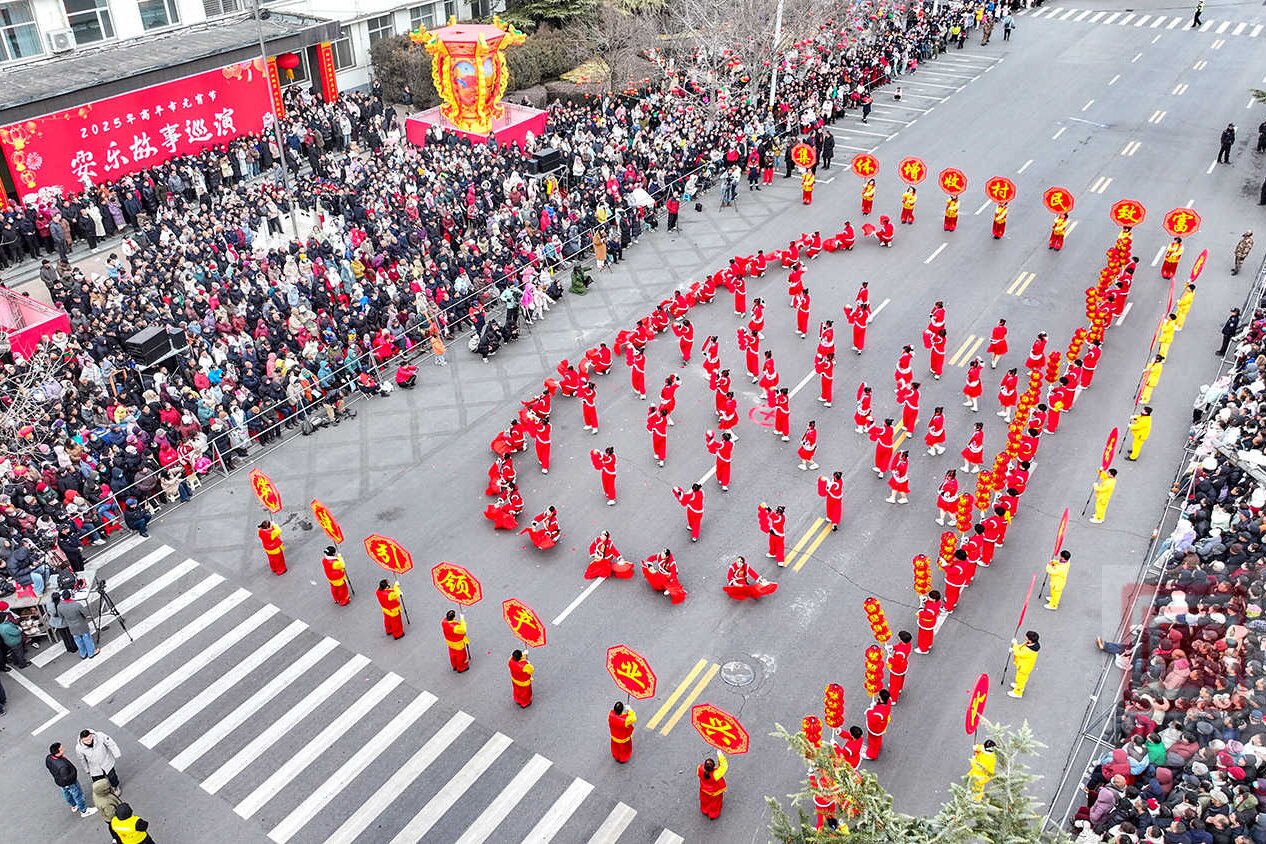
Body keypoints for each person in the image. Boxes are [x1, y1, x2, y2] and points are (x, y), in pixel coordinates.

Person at [46, 742, 97, 817]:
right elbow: (67, 778)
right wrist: (73, 775)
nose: (64, 749)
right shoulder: (62, 766)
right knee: (78, 795)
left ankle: (74, 805)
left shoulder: (49, 758)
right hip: (70, 782)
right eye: (62, 749)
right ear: (58, 752)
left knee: (67, 793)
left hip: (60, 781)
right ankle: (84, 811)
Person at [57, 590, 95, 660]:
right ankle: (91, 652)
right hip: (81, 624)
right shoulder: (77, 605)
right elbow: (86, 614)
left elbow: (61, 616)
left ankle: (83, 653)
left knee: (78, 640)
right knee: (87, 638)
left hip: (71, 625)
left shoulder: (59, 607)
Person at [1008, 631, 1041, 698]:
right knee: (1020, 678)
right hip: (1024, 666)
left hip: (1023, 668)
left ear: (1030, 640)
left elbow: (1018, 653)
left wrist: (1014, 645)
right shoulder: (1031, 644)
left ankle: (1018, 692)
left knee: (1021, 679)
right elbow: (1020, 647)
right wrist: (1015, 648)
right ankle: (1018, 686)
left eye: (1027, 637)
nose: (1025, 638)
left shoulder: (1028, 651)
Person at [698, 752, 728, 819]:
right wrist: (720, 754)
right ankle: (713, 814)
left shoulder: (699, 768)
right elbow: (724, 766)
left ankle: (705, 810)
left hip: (704, 790)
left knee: (705, 801)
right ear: (714, 766)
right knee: (715, 804)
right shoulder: (716, 774)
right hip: (714, 793)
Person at [863, 689, 892, 759]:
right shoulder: (888, 701)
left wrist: (869, 710)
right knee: (877, 739)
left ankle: (871, 754)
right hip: (881, 726)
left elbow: (872, 719)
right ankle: (876, 746)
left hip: (875, 728)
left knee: (873, 739)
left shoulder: (879, 713)